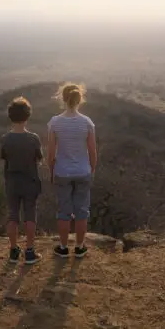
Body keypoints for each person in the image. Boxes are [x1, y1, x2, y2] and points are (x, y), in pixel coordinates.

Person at [47, 83, 97, 259]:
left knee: (63, 211)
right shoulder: (87, 122)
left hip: (62, 171)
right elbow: (92, 151)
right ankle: (79, 247)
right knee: (82, 211)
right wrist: (92, 170)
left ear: (63, 98)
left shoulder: (55, 122)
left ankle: (62, 247)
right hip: (83, 171)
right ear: (79, 99)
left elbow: (51, 152)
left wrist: (51, 170)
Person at [0, 96, 43, 265]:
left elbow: (4, 158)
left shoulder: (5, 139)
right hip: (30, 181)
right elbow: (39, 158)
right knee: (30, 214)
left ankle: (13, 250)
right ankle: (30, 251)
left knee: (12, 215)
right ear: (27, 116)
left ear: (10, 116)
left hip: (12, 181)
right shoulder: (33, 139)